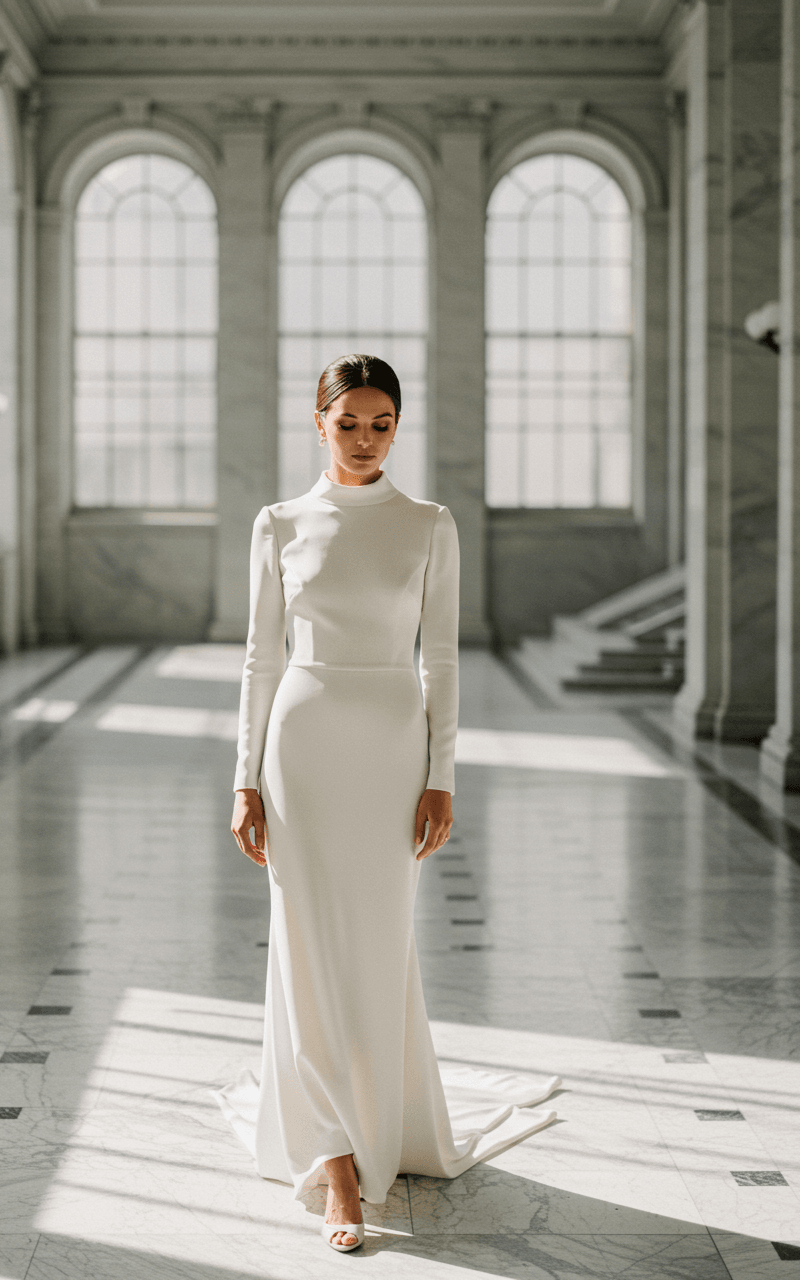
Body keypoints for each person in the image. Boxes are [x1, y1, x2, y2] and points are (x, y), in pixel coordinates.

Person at [217, 354, 560, 1253]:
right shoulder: (280, 523)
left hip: (391, 746)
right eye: (348, 424)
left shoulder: (429, 525)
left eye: (381, 424)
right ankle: (335, 1165)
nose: (365, 440)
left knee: (377, 943)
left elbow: (440, 658)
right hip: (302, 746)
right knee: (306, 946)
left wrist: (442, 772)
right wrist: (244, 777)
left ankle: (386, 1116)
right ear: (318, 422)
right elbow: (260, 658)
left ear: (397, 427)